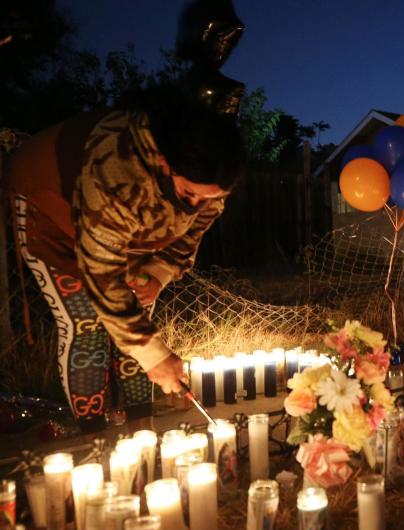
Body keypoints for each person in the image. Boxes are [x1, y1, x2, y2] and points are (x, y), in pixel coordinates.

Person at [5, 84, 245, 428]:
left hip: (128, 234)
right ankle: (95, 438)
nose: (198, 205)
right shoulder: (117, 171)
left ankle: (140, 436)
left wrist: (160, 271)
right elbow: (101, 272)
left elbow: (191, 230)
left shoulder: (209, 184)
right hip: (55, 213)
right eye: (189, 194)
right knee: (86, 325)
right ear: (164, 163)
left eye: (211, 198)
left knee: (139, 321)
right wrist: (153, 355)